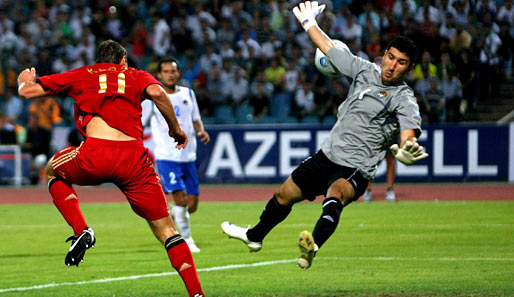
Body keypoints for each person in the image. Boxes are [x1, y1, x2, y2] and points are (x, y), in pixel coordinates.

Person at [221, 1, 428, 271]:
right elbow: (330, 48)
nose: (392, 66)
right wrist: (309, 23)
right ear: (384, 54)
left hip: (356, 166)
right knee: (283, 195)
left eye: (401, 63)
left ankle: (312, 246)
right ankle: (254, 237)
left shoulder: (404, 98)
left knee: (336, 195)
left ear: (409, 68)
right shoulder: (364, 70)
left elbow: (408, 132)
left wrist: (407, 146)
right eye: (390, 57)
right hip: (326, 155)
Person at [17, 40, 204, 297]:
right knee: (167, 231)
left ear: (99, 61)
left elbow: (28, 92)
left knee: (52, 170)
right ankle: (196, 293)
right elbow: (159, 94)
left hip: (96, 155)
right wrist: (176, 128)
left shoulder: (83, 74)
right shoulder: (137, 75)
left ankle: (82, 230)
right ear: (123, 61)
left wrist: (22, 79)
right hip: (134, 161)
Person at [142, 57, 210, 253]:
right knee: (180, 199)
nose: (170, 74)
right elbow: (141, 122)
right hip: (167, 156)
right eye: (166, 71)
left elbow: (196, 119)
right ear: (160, 75)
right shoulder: (153, 98)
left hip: (188, 156)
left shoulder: (188, 94)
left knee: (192, 204)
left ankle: (172, 212)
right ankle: (187, 239)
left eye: (173, 71)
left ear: (178, 73)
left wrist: (201, 131)